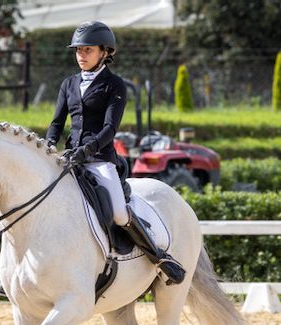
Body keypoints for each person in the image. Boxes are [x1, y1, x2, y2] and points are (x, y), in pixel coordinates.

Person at [45, 21, 185, 285]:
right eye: (78, 50)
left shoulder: (114, 85)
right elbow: (56, 122)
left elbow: (110, 128)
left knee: (119, 213)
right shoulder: (68, 83)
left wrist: (87, 149)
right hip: (68, 158)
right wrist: (48, 145)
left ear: (104, 52)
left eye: (87, 50)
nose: (81, 55)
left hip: (98, 159)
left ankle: (159, 257)